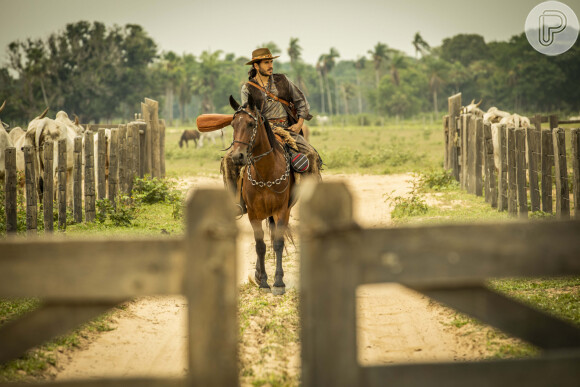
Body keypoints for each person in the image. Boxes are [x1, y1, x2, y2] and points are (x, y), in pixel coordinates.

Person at [221, 47, 322, 216]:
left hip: (287, 130)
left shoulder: (283, 80)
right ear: (256, 65)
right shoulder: (247, 88)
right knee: (228, 160)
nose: (270, 65)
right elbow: (249, 113)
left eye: (271, 62)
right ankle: (236, 203)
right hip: (260, 132)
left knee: (311, 155)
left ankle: (314, 202)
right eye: (266, 62)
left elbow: (301, 101)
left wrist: (299, 124)